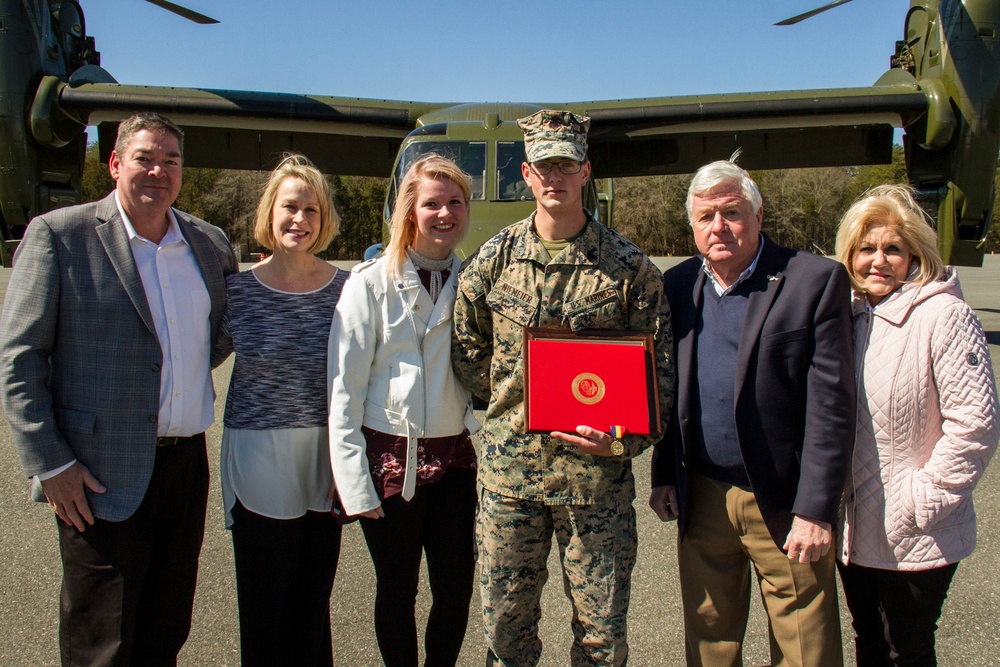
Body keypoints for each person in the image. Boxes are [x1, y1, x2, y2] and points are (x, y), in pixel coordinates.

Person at [0, 112, 237, 666]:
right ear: (114, 164)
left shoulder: (208, 243)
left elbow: (217, 337)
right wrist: (50, 463)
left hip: (184, 467)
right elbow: (20, 359)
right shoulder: (60, 236)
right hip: (97, 472)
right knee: (100, 641)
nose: (159, 171)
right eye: (145, 158)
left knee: (166, 628)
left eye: (171, 161)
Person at [452, 109, 673, 666]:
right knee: (505, 634)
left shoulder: (629, 270)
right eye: (544, 165)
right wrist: (514, 403)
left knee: (601, 639)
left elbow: (658, 378)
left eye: (566, 164)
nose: (555, 176)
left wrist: (622, 440)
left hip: (595, 486)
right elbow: (467, 349)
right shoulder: (494, 260)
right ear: (525, 173)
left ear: (585, 170)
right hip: (510, 484)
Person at [649, 153, 854, 667]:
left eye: (732, 212)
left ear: (759, 216)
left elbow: (832, 406)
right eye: (706, 216)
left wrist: (815, 508)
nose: (719, 226)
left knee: (805, 648)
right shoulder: (675, 287)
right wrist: (663, 475)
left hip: (785, 502)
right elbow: (669, 391)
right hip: (703, 495)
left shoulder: (814, 280)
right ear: (692, 226)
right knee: (710, 641)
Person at [833, 184, 999, 666]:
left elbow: (975, 427)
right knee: (868, 640)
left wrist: (918, 504)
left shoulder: (945, 315)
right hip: (856, 528)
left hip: (918, 528)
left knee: (906, 648)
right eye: (866, 249)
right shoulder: (849, 315)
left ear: (914, 254)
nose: (877, 261)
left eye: (892, 249)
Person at [328, 154, 480, 667]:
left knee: (456, 589)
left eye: (455, 202)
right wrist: (353, 482)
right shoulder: (368, 283)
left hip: (455, 459)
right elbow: (343, 391)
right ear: (409, 210)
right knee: (398, 589)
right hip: (390, 458)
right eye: (431, 203)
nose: (444, 213)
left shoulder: (476, 282)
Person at [213, 154, 348, 666]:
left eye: (311, 210)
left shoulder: (346, 290)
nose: (300, 219)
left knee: (313, 605)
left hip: (323, 455)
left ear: (324, 218)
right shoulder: (238, 292)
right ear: (270, 212)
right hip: (257, 454)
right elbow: (195, 356)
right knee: (265, 604)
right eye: (290, 207)